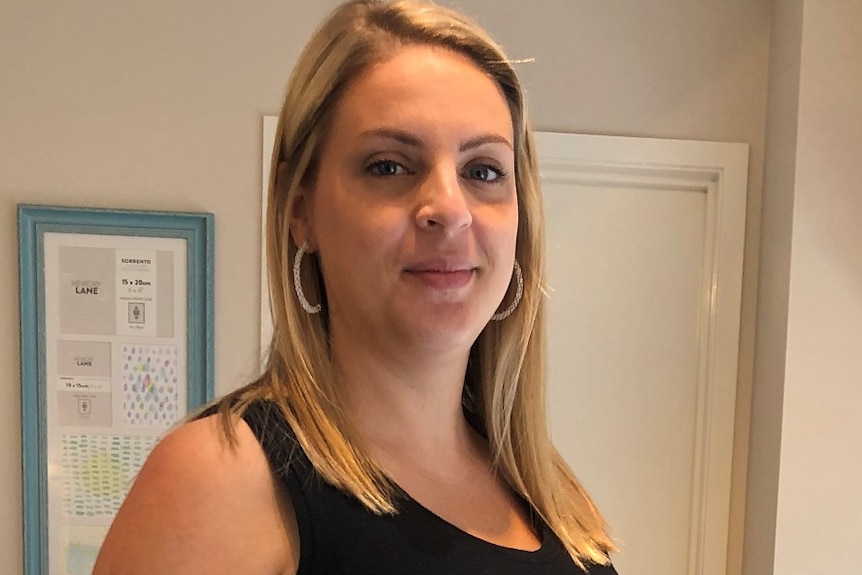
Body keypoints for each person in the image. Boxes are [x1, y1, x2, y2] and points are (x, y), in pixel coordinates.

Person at [93, 0, 618, 573]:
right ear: (302, 212)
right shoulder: (225, 478)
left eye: (484, 171)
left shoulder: (540, 487)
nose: (449, 208)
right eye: (389, 166)